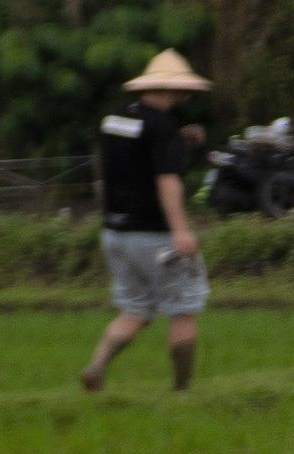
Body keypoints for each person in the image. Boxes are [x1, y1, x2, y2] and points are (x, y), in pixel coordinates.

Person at [81, 49, 215, 393]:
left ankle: (96, 367)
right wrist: (181, 231)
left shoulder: (115, 120)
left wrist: (180, 138)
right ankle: (182, 388)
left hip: (115, 233)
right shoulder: (163, 128)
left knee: (135, 310)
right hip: (156, 237)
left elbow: (136, 152)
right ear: (176, 90)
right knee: (183, 312)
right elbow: (166, 179)